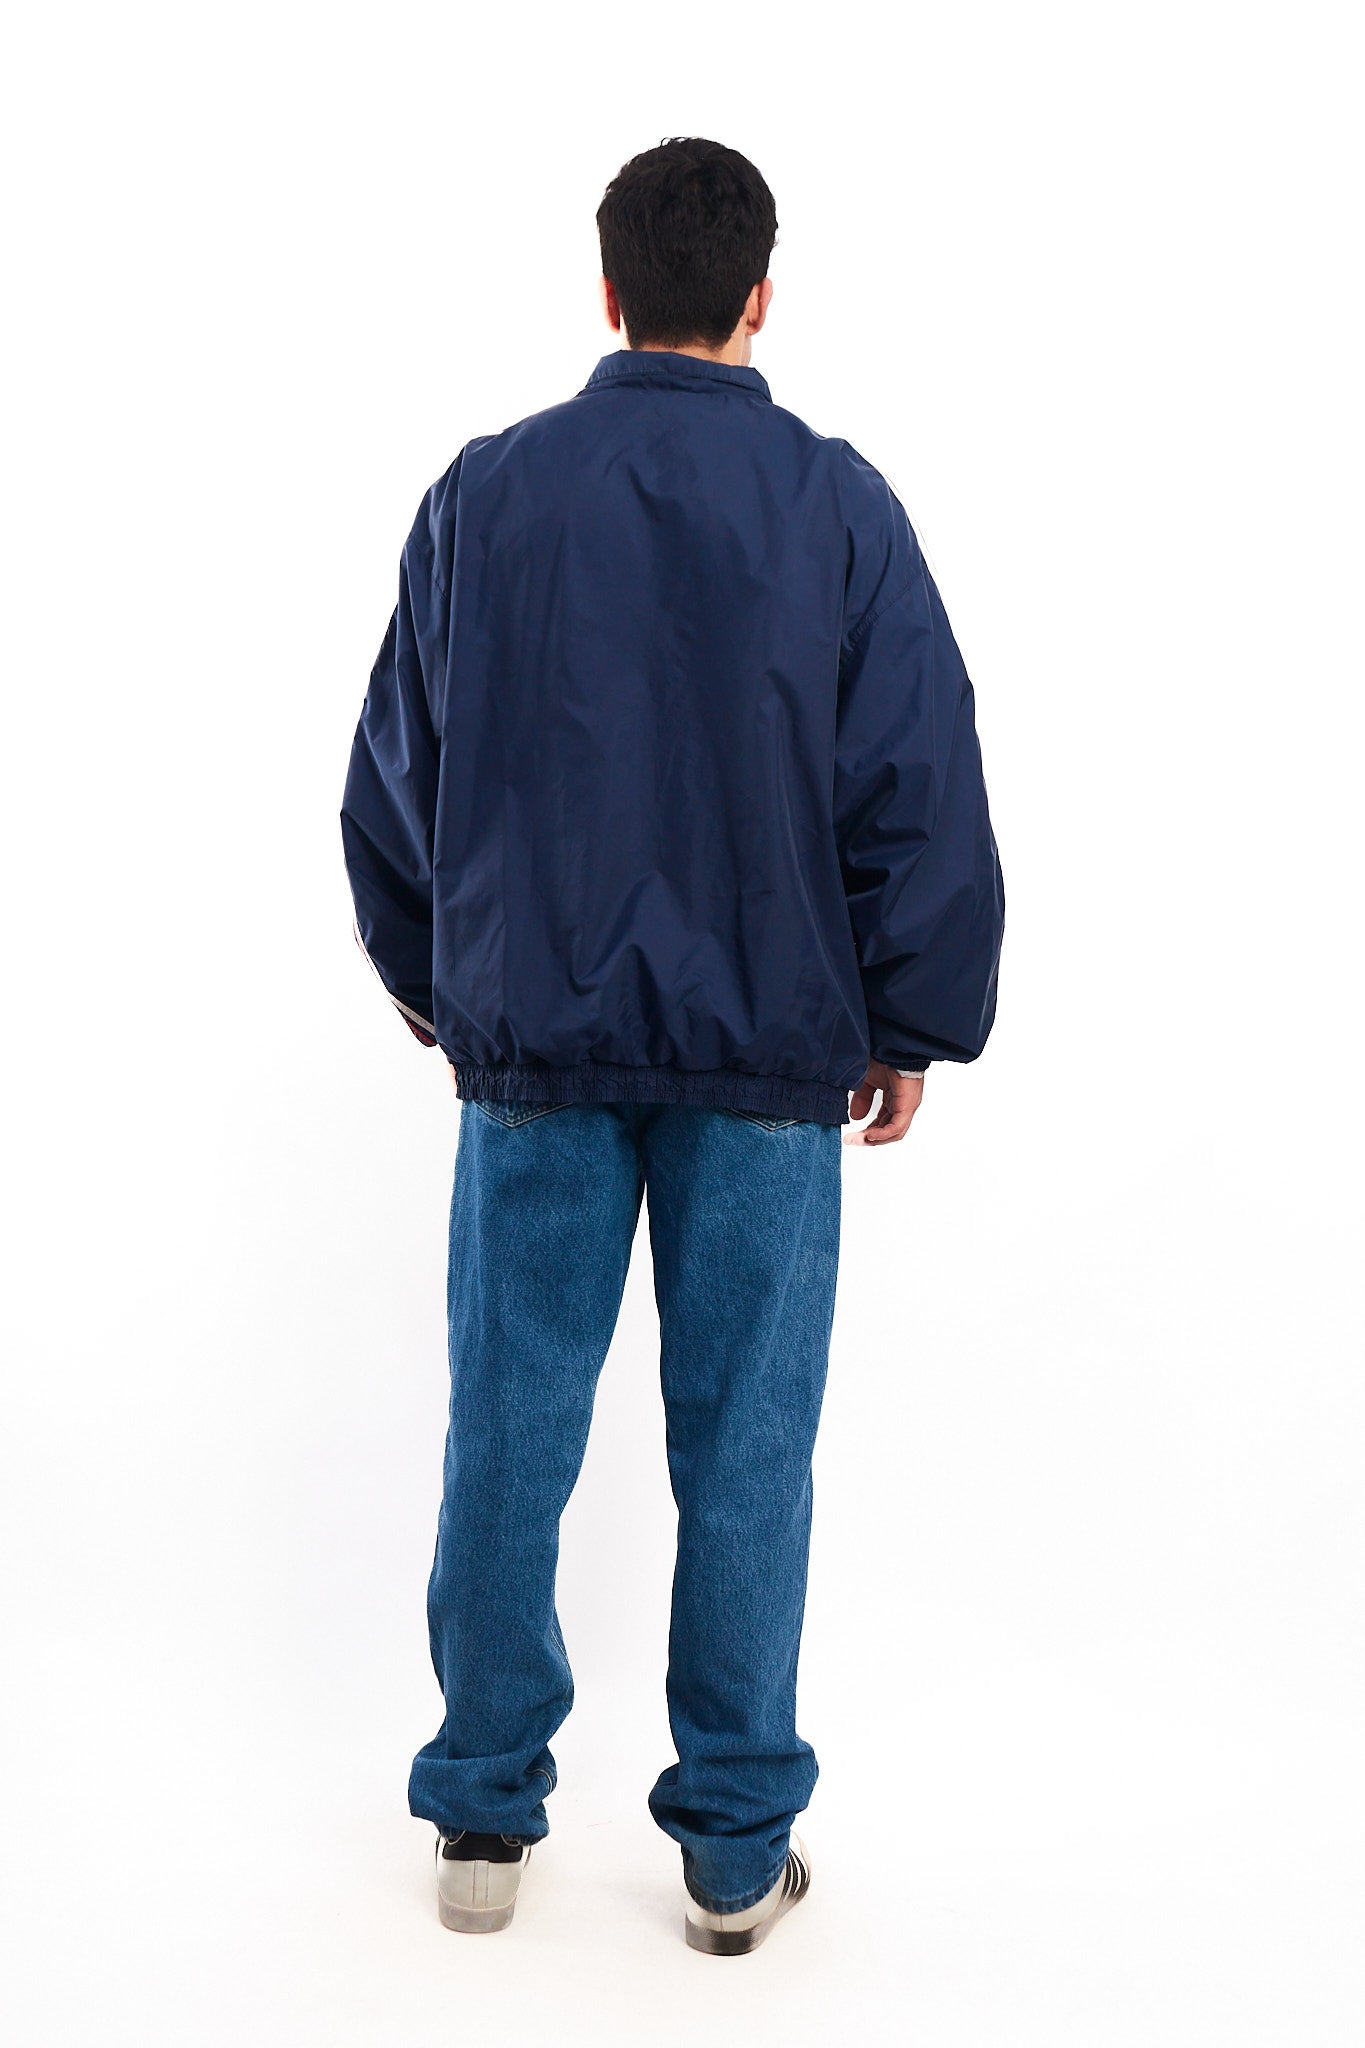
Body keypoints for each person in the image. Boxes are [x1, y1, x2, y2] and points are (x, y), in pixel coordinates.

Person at [341, 136, 1004, 1955]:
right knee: (748, 1451)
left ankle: (479, 1825)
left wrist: (442, 983)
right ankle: (729, 1854)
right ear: (761, 296)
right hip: (772, 1060)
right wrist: (911, 1014)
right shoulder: (836, 504)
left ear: (608, 288)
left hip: (534, 1056)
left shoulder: (487, 494)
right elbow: (914, 772)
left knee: (507, 1433)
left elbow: (397, 763)